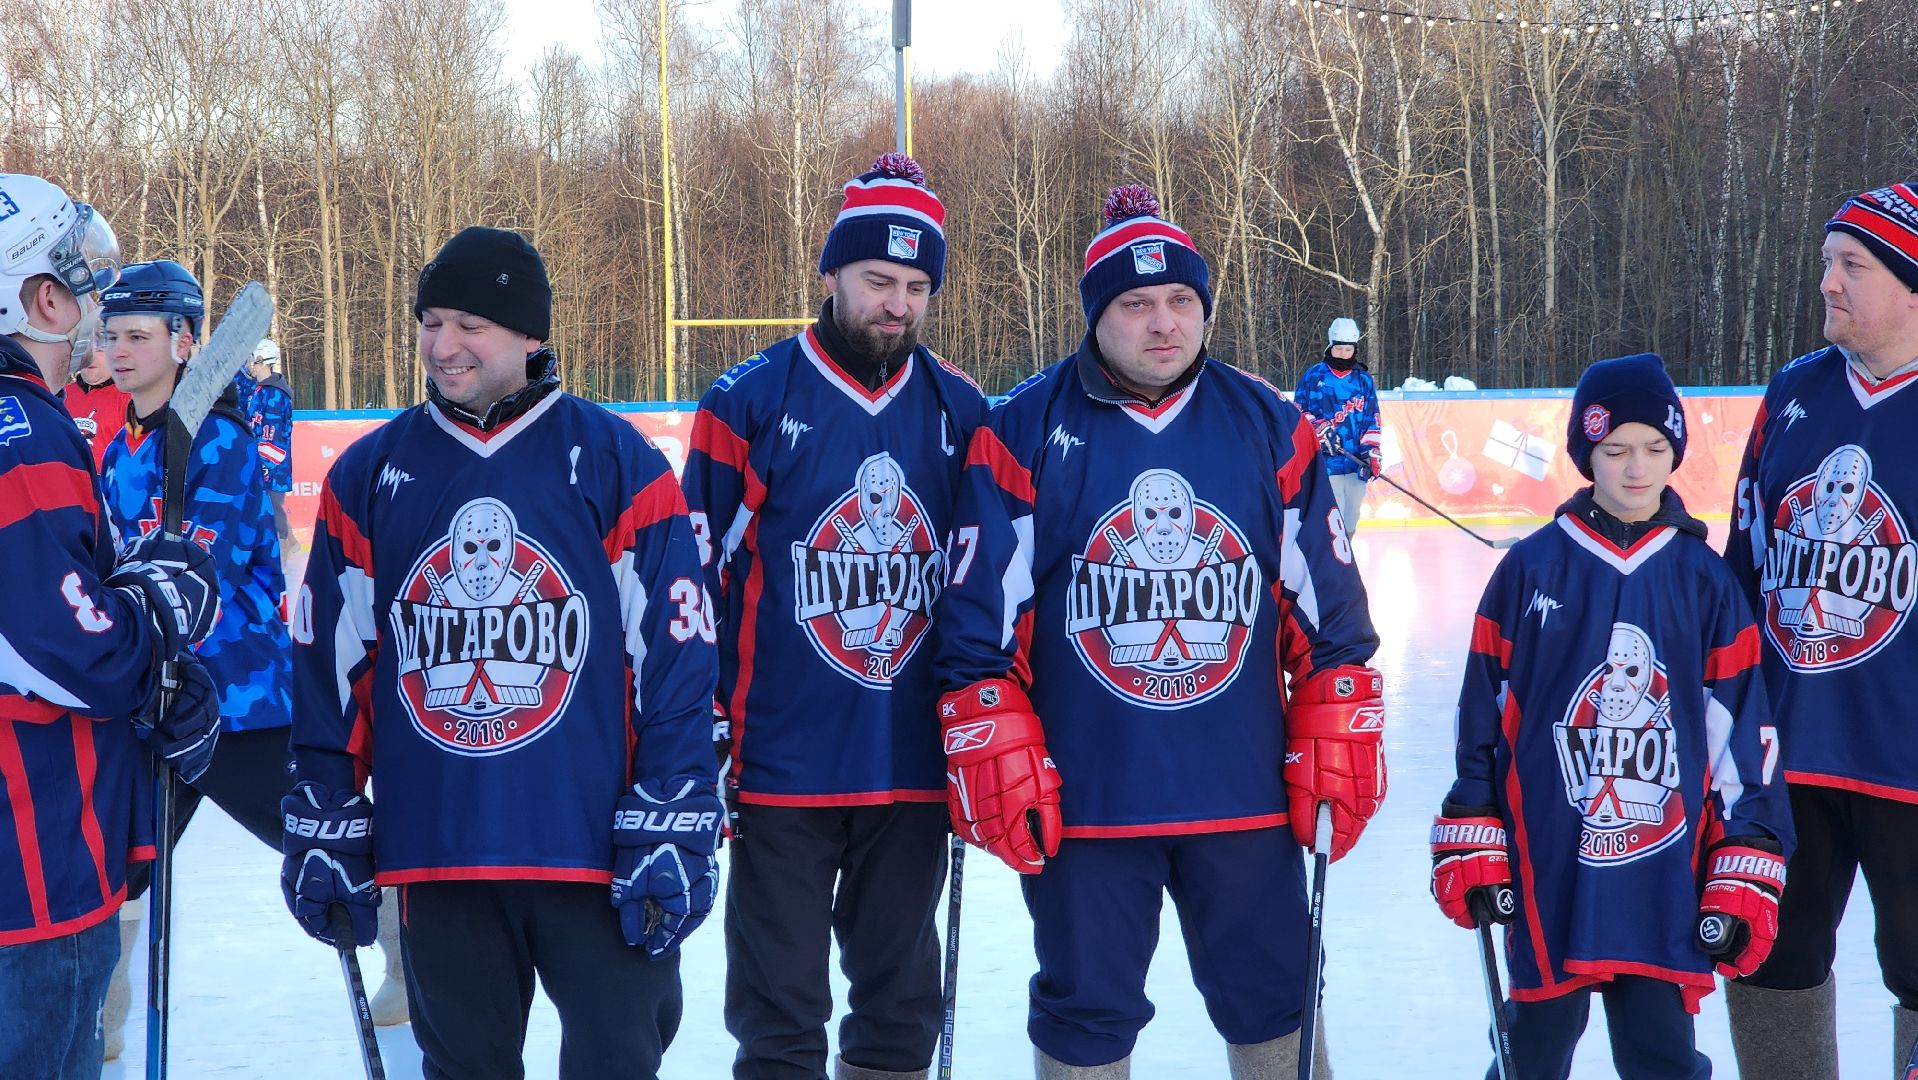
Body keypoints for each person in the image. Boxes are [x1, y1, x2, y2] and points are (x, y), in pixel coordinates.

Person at [932, 184, 1385, 1079]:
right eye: (1136, 304)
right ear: (1098, 314)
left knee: (1276, 995)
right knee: (1086, 1013)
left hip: (1245, 796)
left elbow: (1330, 611)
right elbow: (976, 625)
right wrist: (991, 724)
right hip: (1090, 803)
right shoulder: (1022, 430)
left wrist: (1338, 706)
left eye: (1181, 300)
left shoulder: (1269, 426)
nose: (1164, 323)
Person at [283, 225, 720, 1080]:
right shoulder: (369, 474)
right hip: (438, 852)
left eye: (470, 325)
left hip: (594, 852)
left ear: (530, 336)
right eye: (431, 321)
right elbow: (331, 662)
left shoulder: (615, 460)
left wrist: (672, 807)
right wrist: (326, 803)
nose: (442, 346)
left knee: (617, 1063)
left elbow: (676, 656)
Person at [683, 153, 985, 1080]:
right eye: (877, 281)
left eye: (915, 286)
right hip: (783, 762)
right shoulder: (749, 401)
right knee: (778, 1017)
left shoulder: (964, 411)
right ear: (831, 276)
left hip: (912, 767)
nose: (896, 304)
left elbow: (988, 589)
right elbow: (693, 583)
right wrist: (703, 725)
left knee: (899, 1012)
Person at [1434, 352, 1793, 1079]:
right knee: (1532, 1050)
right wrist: (1474, 814)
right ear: (1585, 454)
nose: (1637, 469)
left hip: (1664, 871)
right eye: (1616, 450)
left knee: (1660, 1054)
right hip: (1549, 861)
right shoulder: (1532, 569)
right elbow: (1484, 712)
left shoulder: (1705, 580)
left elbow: (1740, 734)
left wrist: (1744, 848)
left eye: (1656, 449)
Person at [0, 172, 221, 1078]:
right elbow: (65, 650)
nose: (99, 302)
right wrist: (153, 623)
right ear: (44, 299)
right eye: (85, 281)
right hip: (31, 867)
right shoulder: (20, 433)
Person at [1724, 182, 1918, 1076]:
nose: (1829, 284)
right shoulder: (1794, 391)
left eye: (1853, 266)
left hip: (1906, 768)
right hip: (1785, 760)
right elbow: (1742, 569)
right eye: (1826, 264)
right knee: (1768, 963)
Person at [94, 259, 295, 1059]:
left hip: (235, 700)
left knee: (319, 842)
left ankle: (406, 955)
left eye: (137, 336)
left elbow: (198, 568)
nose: (118, 351)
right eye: (110, 335)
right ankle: (101, 1017)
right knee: (120, 863)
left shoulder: (219, 441)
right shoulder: (121, 449)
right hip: (153, 700)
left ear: (184, 341)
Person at [1293, 317, 1381, 534]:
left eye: (1347, 349)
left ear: (1355, 349)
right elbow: (1296, 412)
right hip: (1325, 463)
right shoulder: (1314, 376)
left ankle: (1344, 557)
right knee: (1333, 515)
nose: (1343, 353)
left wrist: (1371, 451)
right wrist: (1317, 428)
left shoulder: (1363, 380)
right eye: (1338, 348)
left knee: (1351, 515)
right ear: (1330, 347)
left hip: (1355, 463)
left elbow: (1372, 418)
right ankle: (1331, 562)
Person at [241, 338, 294, 542]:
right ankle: (287, 544)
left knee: (272, 511)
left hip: (272, 470)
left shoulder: (275, 394)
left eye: (253, 359)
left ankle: (283, 548)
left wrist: (264, 467)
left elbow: (274, 437)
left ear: (261, 360)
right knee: (262, 511)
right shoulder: (259, 389)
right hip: (260, 465)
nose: (250, 364)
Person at [64, 341, 130, 468]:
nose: (90, 356)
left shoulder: (129, 398)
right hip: (67, 478)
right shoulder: (61, 395)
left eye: (99, 350)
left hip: (106, 481)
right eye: (85, 348)